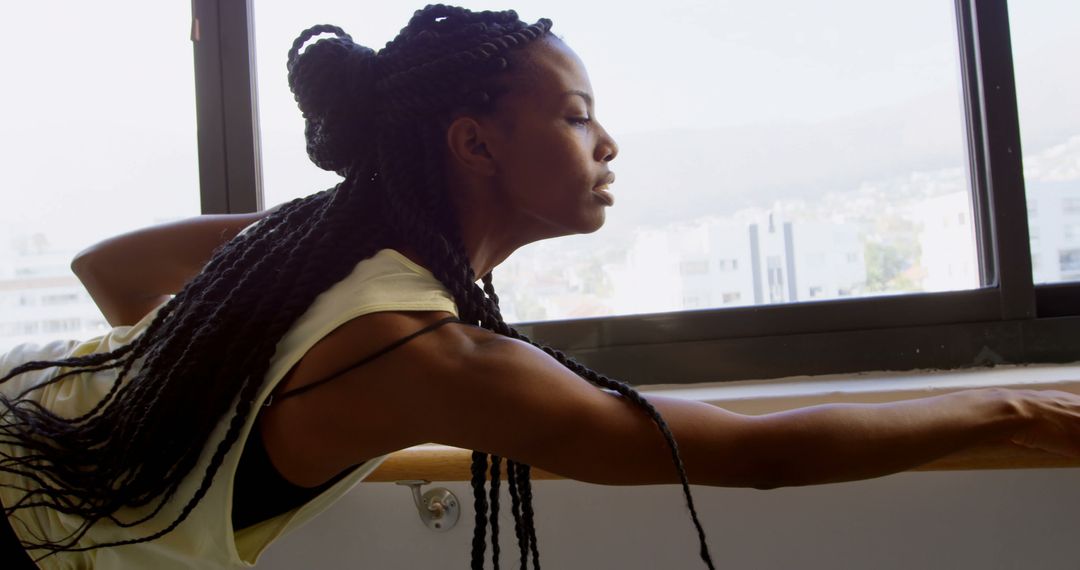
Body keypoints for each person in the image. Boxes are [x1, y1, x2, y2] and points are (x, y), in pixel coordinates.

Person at [1, 4, 1078, 569]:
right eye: (573, 114)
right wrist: (1020, 404)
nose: (607, 141)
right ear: (475, 143)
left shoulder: (322, 257)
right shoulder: (423, 353)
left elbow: (115, 273)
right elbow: (761, 456)